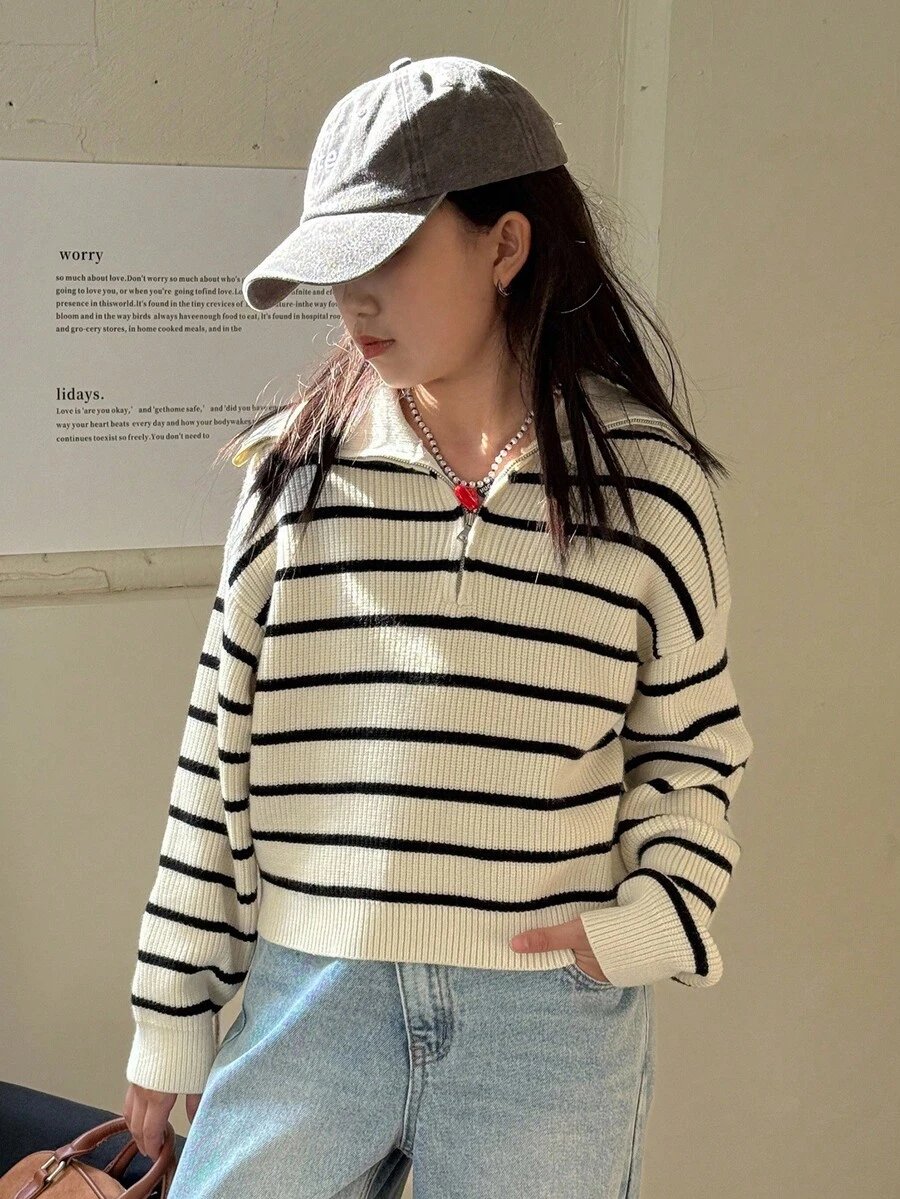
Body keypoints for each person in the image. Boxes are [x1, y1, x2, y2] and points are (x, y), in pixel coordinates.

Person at [122, 55, 754, 1198]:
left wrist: (649, 921)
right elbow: (217, 753)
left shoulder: (649, 487)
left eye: (386, 257)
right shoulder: (294, 479)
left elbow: (692, 746)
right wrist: (171, 1013)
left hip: (546, 1023)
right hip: (313, 997)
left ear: (505, 244)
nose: (351, 301)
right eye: (336, 266)